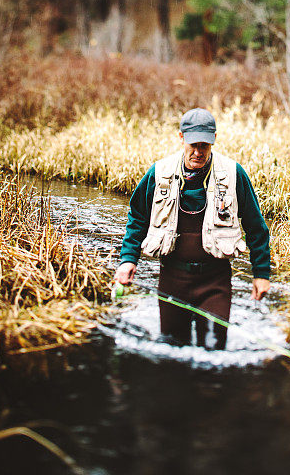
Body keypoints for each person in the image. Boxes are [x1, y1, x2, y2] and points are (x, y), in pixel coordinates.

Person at [114, 107, 271, 350]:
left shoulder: (233, 174)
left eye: (204, 146)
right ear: (181, 138)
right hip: (172, 280)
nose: (198, 152)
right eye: (193, 145)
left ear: (214, 141)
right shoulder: (158, 173)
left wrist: (261, 274)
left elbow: (256, 227)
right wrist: (127, 260)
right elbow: (137, 219)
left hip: (215, 282)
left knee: (213, 354)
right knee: (173, 353)